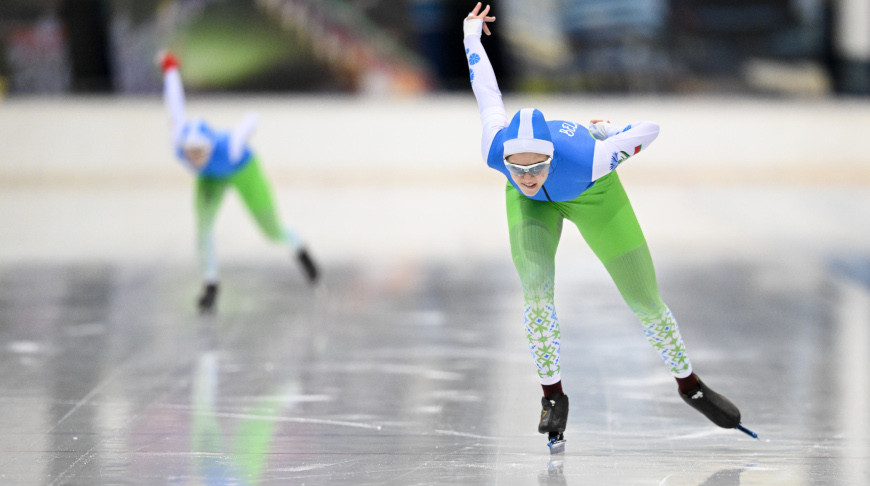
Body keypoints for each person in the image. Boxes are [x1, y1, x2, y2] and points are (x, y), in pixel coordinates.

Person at [462, 3, 752, 449]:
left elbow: (650, 129)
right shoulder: (494, 147)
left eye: (536, 167)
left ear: (551, 156)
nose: (526, 176)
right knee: (536, 291)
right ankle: (553, 397)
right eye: (515, 169)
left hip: (594, 195)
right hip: (532, 209)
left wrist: (612, 131)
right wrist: (471, 35)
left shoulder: (589, 160)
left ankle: (689, 384)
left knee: (644, 300)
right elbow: (487, 92)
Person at [158, 51, 318, 314]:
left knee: (271, 230)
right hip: (212, 178)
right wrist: (170, 67)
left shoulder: (229, 147)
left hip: (243, 169)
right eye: (192, 154)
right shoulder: (178, 142)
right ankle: (210, 284)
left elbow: (253, 118)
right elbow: (174, 105)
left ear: (211, 148)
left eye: (201, 153)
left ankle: (299, 247)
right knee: (203, 228)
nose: (196, 159)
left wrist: (243, 134)